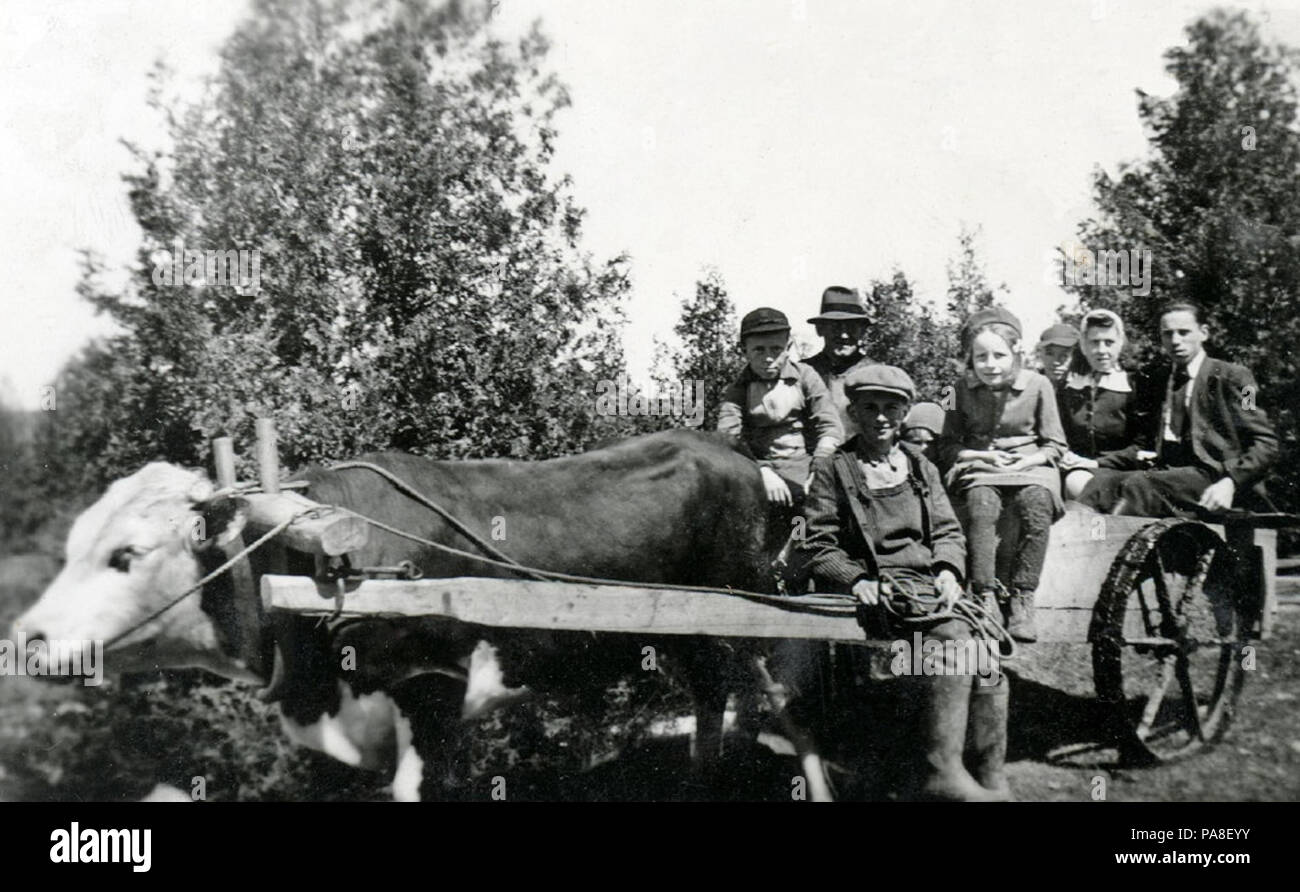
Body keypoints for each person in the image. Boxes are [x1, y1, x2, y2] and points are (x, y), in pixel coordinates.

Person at [799, 364, 1009, 801]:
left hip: (927, 585)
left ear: (905, 412)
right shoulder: (835, 469)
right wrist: (855, 578)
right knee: (952, 640)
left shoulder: (920, 467)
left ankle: (992, 780)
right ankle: (941, 772)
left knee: (988, 660)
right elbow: (820, 544)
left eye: (891, 408)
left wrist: (950, 571)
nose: (880, 417)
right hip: (878, 591)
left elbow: (950, 532)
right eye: (869, 407)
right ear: (853, 412)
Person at [939, 307, 1068, 643]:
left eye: (999, 355)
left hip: (1032, 467)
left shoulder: (1038, 385)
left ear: (1016, 353)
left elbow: (1055, 444)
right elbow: (948, 445)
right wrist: (983, 455)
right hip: (982, 466)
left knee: (1036, 505)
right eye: (981, 356)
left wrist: (1025, 464)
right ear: (970, 357)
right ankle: (985, 595)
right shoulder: (957, 389)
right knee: (980, 505)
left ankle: (1023, 596)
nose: (990, 364)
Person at [1078, 302, 1278, 518]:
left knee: (1138, 485)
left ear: (1203, 333)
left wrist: (1231, 482)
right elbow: (1145, 443)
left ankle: (1110, 546)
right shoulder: (1158, 379)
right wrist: (1095, 463)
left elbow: (1266, 443)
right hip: (1169, 475)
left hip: (1217, 478)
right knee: (1097, 483)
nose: (1175, 341)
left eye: (1184, 333)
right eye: (1167, 334)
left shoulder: (1237, 377)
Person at [717, 308, 843, 508]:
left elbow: (830, 426)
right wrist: (761, 472)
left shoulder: (805, 376)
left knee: (815, 521)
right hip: (759, 470)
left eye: (776, 349)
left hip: (807, 467)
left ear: (789, 347)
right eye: (759, 350)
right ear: (743, 350)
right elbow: (728, 439)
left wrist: (819, 471)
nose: (768, 358)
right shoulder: (737, 390)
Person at [1056, 309, 1153, 499]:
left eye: (1109, 343)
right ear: (1083, 346)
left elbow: (1142, 445)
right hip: (1073, 469)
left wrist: (1097, 463)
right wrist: (1066, 456)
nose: (1101, 350)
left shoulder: (1135, 384)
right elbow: (1059, 434)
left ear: (1120, 344)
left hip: (1121, 471)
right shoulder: (1070, 386)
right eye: (1094, 343)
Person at [803, 286, 875, 441]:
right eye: (835, 326)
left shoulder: (877, 374)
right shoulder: (802, 373)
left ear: (863, 331)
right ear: (819, 329)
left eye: (851, 327)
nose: (843, 334)